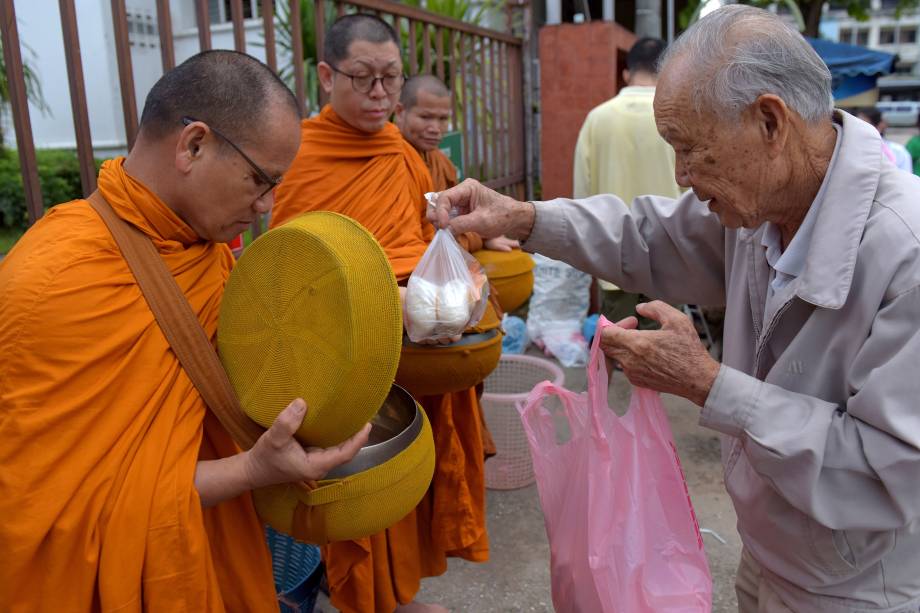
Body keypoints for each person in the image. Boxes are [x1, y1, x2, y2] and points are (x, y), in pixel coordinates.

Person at [431, 6, 920, 612]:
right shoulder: (763, 201)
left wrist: (707, 383)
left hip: (855, 585)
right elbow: (648, 235)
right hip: (770, 548)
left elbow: (887, 469)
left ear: (770, 121)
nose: (682, 176)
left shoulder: (907, 254)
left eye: (690, 149)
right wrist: (526, 218)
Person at [0, 50, 370, 611]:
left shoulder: (200, 248)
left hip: (216, 550)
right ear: (193, 144)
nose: (268, 205)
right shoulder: (54, 282)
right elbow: (52, 511)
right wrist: (250, 468)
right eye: (261, 180)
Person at [270, 15, 489, 613]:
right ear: (325, 76)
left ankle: (399, 594)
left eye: (390, 78)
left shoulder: (398, 148)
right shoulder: (302, 153)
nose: (380, 95)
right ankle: (365, 600)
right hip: (348, 345)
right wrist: (376, 299)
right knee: (360, 474)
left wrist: (454, 276)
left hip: (420, 333)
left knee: (411, 468)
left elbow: (423, 237)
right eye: (363, 78)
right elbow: (289, 268)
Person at [573, 36, 681, 325]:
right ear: (667, 70)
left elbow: (581, 194)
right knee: (666, 352)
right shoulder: (677, 118)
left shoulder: (597, 119)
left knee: (619, 346)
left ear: (625, 73)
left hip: (613, 254)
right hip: (669, 254)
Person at [395, 74, 518, 253]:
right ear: (399, 112)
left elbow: (454, 219)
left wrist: (484, 236)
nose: (435, 128)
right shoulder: (390, 160)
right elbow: (413, 236)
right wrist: (478, 237)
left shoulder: (441, 162)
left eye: (443, 119)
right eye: (425, 117)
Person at [857, 106, 913, 172]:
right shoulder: (849, 150)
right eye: (855, 125)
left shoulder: (897, 151)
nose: (858, 130)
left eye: (864, 126)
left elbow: (906, 179)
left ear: (879, 126)